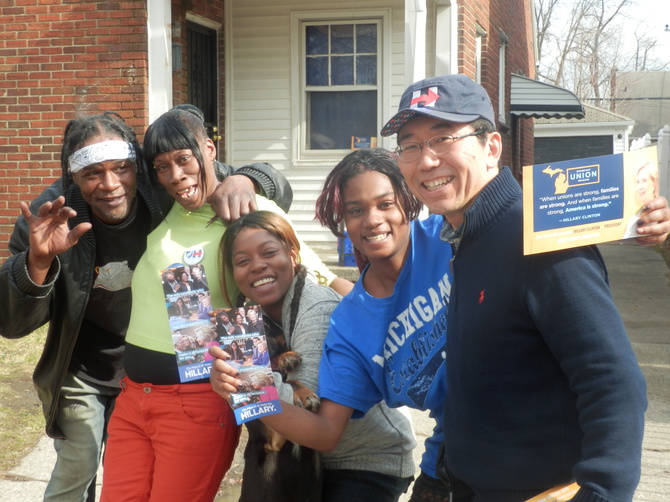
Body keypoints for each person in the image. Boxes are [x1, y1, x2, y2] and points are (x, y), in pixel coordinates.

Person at [380, 74, 657, 501]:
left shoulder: (537, 236)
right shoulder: (463, 237)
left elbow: (613, 381)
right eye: (410, 146)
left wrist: (601, 492)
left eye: (443, 138)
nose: (426, 160)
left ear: (492, 147)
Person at [0, 110, 291, 502]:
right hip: (90, 367)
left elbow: (223, 176)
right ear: (72, 178)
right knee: (78, 466)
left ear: (137, 167)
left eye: (121, 168)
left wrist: (248, 178)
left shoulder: (167, 186)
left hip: (185, 386)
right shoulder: (49, 217)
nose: (110, 184)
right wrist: (37, 262)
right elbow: (12, 324)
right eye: (92, 173)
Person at [99, 107, 348, 501]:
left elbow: (319, 277)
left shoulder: (248, 211)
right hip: (134, 399)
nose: (175, 175)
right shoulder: (162, 209)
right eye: (162, 167)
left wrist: (380, 321)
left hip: (198, 400)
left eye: (184, 159)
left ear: (210, 150)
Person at [211, 210, 416, 502]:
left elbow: (308, 410)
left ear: (293, 254)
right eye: (243, 261)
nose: (257, 265)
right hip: (301, 462)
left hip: (363, 460)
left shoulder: (317, 305)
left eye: (269, 252)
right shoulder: (248, 322)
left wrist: (241, 381)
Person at [624, 161, 660, 238]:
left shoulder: (658, 217)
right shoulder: (635, 215)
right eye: (638, 182)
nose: (639, 187)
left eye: (644, 181)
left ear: (654, 185)